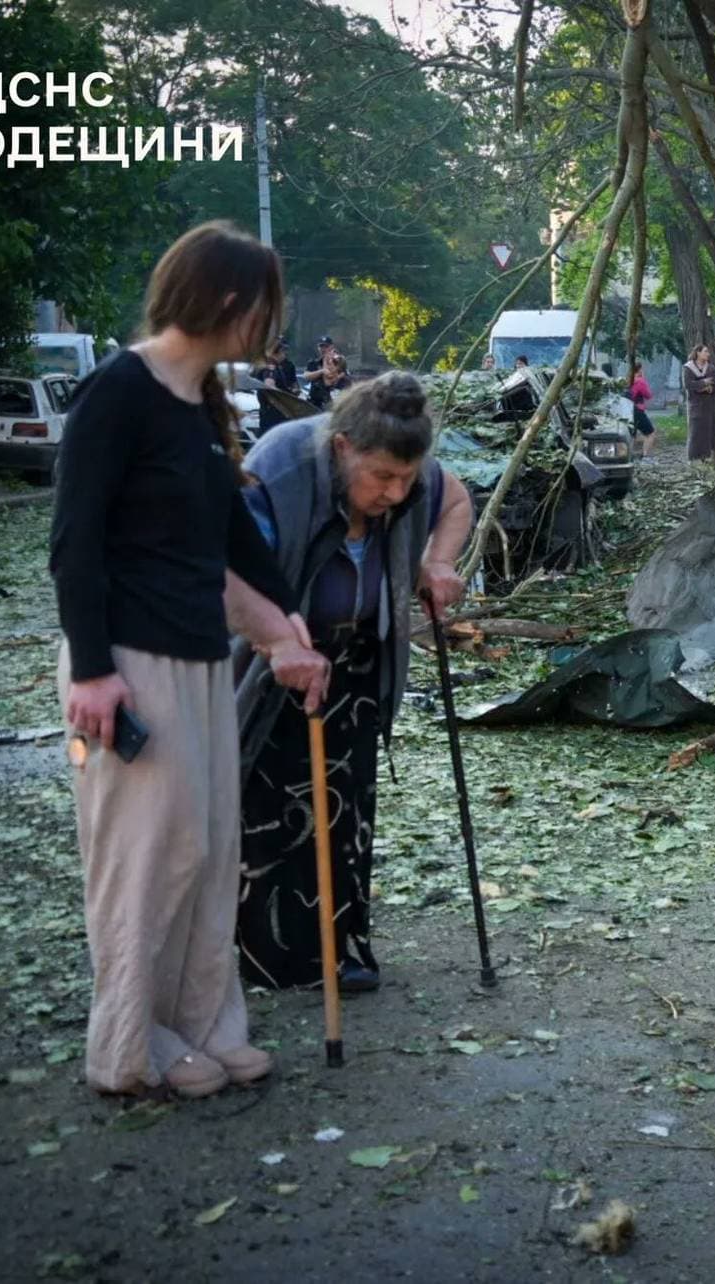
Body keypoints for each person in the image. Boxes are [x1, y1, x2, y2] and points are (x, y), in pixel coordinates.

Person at [49, 220, 331, 1100]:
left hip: (202, 661)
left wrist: (289, 626)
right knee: (145, 857)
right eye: (265, 311)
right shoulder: (119, 393)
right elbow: (74, 542)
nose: (268, 329)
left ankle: (205, 1025)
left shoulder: (199, 401)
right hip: (128, 665)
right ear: (227, 300)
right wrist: (93, 671)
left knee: (207, 850)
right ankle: (130, 1047)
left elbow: (232, 540)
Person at [230, 374, 472, 993]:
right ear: (342, 449)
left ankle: (340, 950)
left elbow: (455, 501)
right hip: (276, 666)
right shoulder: (279, 467)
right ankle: (272, 960)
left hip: (357, 666)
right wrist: (277, 642)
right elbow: (229, 570)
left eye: (405, 479)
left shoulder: (412, 476)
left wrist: (438, 562)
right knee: (273, 813)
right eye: (381, 478)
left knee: (346, 812)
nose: (395, 493)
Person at [683, 343, 715, 463]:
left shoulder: (711, 368)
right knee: (696, 431)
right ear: (698, 353)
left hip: (709, 404)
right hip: (696, 404)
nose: (708, 354)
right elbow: (688, 385)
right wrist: (703, 383)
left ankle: (707, 457)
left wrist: (710, 389)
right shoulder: (688, 368)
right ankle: (693, 458)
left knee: (709, 430)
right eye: (705, 352)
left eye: (708, 352)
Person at [256, 338, 300, 433]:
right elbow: (269, 385)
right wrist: (285, 396)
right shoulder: (270, 365)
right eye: (283, 351)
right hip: (273, 416)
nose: (285, 354)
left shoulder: (272, 365)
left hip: (273, 415)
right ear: (279, 351)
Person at [628, 361, 656, 461]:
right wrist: (643, 379)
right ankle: (645, 456)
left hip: (627, 409)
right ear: (639, 369)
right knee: (650, 433)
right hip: (637, 410)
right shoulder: (640, 381)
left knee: (631, 435)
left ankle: (629, 457)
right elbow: (648, 395)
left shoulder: (628, 380)